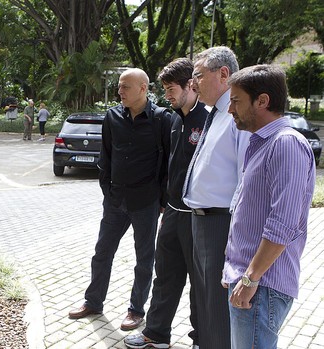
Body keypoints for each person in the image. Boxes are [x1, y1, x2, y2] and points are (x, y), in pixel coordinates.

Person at [68, 68, 171, 332]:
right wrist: (107, 189)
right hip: (115, 199)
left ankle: (136, 310)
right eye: (119, 86)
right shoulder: (112, 116)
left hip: (146, 201)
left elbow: (167, 163)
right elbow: (107, 155)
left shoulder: (161, 119)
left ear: (143, 89)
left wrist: (161, 198)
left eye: (125, 86)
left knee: (144, 258)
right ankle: (93, 301)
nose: (120, 91)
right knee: (102, 252)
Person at [222, 65, 315, 349]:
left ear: (262, 101)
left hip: (261, 286)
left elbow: (283, 224)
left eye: (236, 100)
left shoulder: (285, 144)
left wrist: (250, 279)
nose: (230, 110)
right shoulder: (264, 142)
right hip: (251, 282)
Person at [124, 58, 207, 349]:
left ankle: (202, 339)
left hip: (200, 217)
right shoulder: (173, 120)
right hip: (172, 212)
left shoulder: (209, 120)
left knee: (200, 284)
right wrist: (164, 203)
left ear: (191, 85)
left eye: (172, 89)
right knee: (165, 277)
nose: (167, 95)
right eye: (165, 89)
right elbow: (168, 165)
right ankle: (156, 335)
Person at [181, 46, 250, 349]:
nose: (192, 83)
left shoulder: (237, 117)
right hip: (199, 221)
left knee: (218, 306)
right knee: (205, 300)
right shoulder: (215, 114)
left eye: (197, 75)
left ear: (224, 74)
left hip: (221, 222)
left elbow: (246, 177)